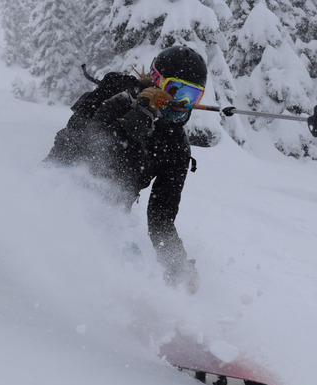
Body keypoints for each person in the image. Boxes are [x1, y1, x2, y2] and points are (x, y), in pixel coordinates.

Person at [43, 46, 207, 293]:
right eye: (176, 90)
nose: (182, 103)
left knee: (131, 267)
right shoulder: (116, 92)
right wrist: (134, 115)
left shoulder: (176, 148)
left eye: (192, 96)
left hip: (107, 214)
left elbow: (161, 218)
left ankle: (142, 313)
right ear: (157, 80)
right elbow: (75, 141)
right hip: (61, 183)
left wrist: (178, 264)